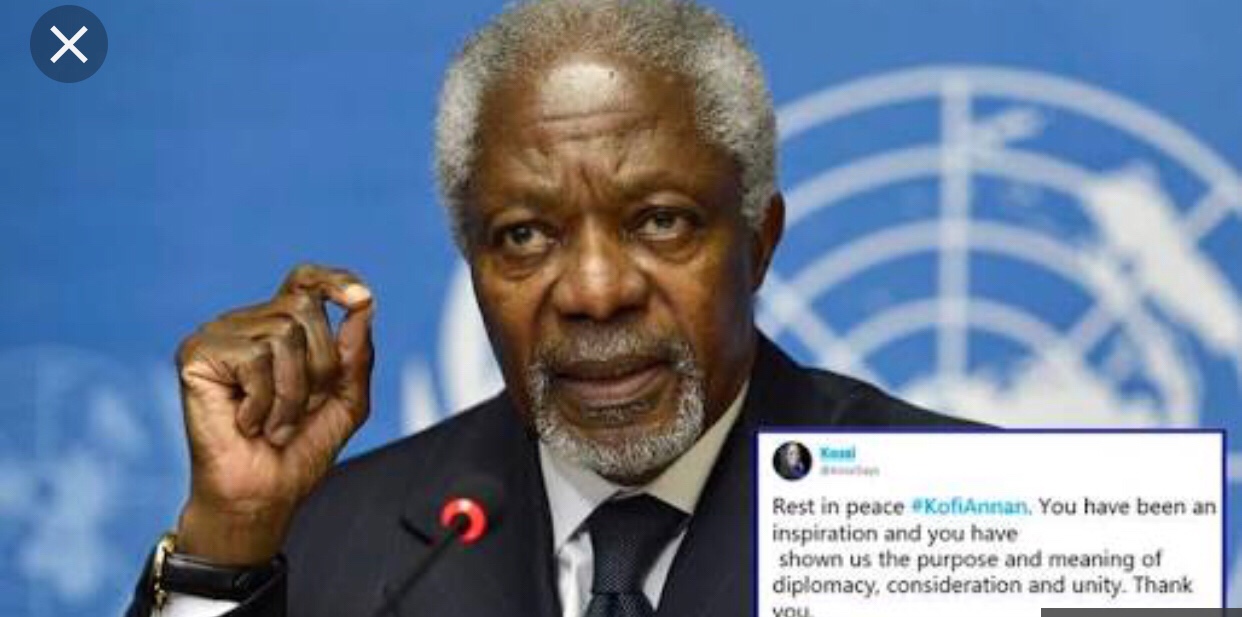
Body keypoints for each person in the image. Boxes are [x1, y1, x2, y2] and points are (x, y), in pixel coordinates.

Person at [126, 1, 974, 616]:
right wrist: (228, 545)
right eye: (526, 234)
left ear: (760, 241)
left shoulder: (961, 520)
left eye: (661, 221)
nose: (595, 292)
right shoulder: (328, 540)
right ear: (473, 261)